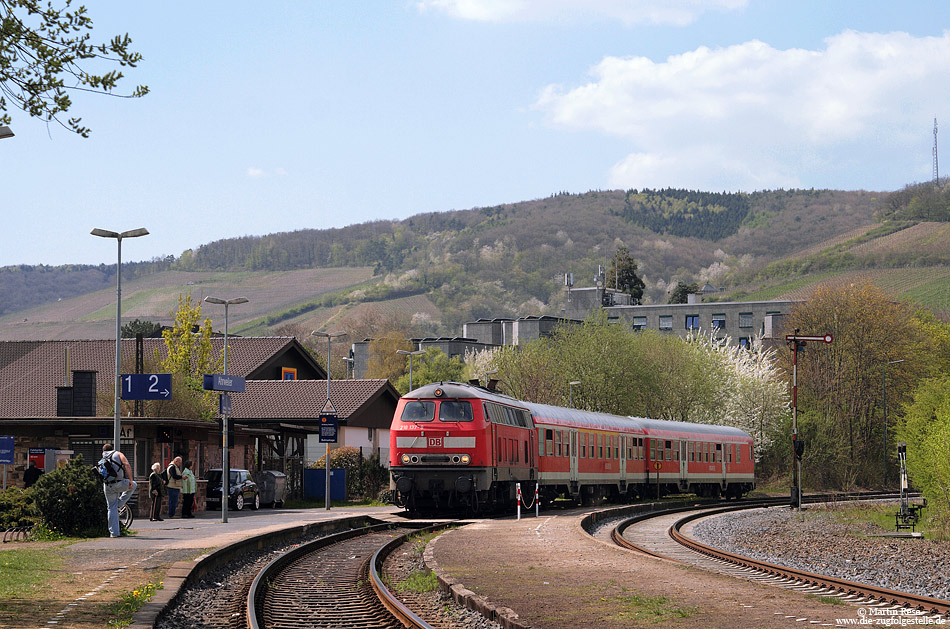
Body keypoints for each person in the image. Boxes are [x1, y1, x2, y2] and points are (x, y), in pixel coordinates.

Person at [100, 443, 137, 538]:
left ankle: (114, 533)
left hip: (107, 485)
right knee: (134, 485)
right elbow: (127, 465)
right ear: (113, 448)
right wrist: (131, 480)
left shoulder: (103, 457)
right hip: (119, 483)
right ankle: (120, 504)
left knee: (111, 508)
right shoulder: (118, 454)